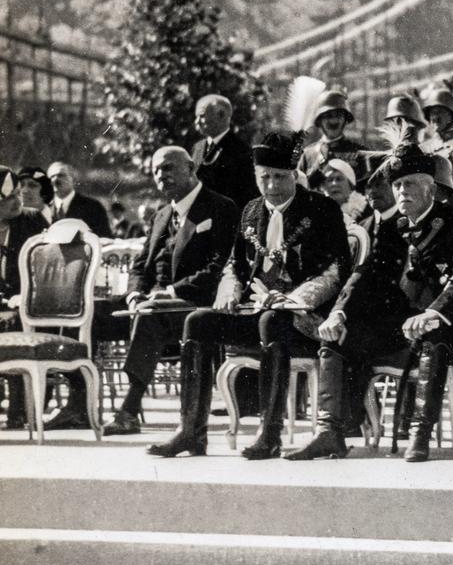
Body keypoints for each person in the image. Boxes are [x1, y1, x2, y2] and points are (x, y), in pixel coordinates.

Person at [294, 143, 453, 463]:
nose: (402, 191)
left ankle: (419, 433)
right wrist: (338, 312)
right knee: (336, 337)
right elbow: (364, 274)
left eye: (410, 183)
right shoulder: (394, 229)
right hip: (407, 325)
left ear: (431, 188)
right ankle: (330, 432)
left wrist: (435, 312)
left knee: (430, 335)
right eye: (397, 185)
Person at [148, 131, 352, 460]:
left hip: (309, 320)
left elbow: (335, 271)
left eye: (279, 177)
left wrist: (292, 299)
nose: (271, 186)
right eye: (264, 177)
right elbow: (235, 264)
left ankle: (269, 434)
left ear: (294, 176)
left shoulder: (322, 209)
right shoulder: (250, 212)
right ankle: (190, 431)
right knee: (198, 322)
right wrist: (230, 290)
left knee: (273, 320)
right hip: (257, 312)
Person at [105, 148, 240, 435]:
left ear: (190, 168)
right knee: (94, 314)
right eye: (156, 171)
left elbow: (220, 266)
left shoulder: (220, 207)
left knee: (150, 317)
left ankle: (129, 409)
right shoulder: (161, 214)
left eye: (168, 168)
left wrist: (171, 291)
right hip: (154, 301)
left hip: (196, 305)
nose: (161, 176)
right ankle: (77, 407)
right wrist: (134, 293)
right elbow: (141, 265)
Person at [0, 165, 50, 427]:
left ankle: (20, 408)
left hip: (29, 302)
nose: (17, 201)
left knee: (16, 320)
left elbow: (49, 271)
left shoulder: (33, 221)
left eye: (18, 193)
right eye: (9, 196)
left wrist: (23, 295)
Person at [191, 95, 259, 209]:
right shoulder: (197, 148)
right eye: (196, 117)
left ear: (221, 116)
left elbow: (246, 196)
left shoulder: (241, 151)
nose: (197, 122)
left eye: (202, 116)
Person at [296, 89, 368, 180]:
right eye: (328, 116)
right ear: (319, 121)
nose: (333, 121)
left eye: (338, 115)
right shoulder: (307, 155)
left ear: (345, 120)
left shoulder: (360, 153)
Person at [45, 162, 112, 237]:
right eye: (51, 177)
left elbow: (104, 238)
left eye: (61, 175)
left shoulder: (93, 207)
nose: (56, 180)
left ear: (73, 179)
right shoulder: (43, 209)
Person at [310, 158, 372, 230]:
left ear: (350, 185)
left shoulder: (366, 211)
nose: (334, 184)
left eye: (339, 179)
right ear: (324, 187)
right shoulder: (318, 214)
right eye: (330, 180)